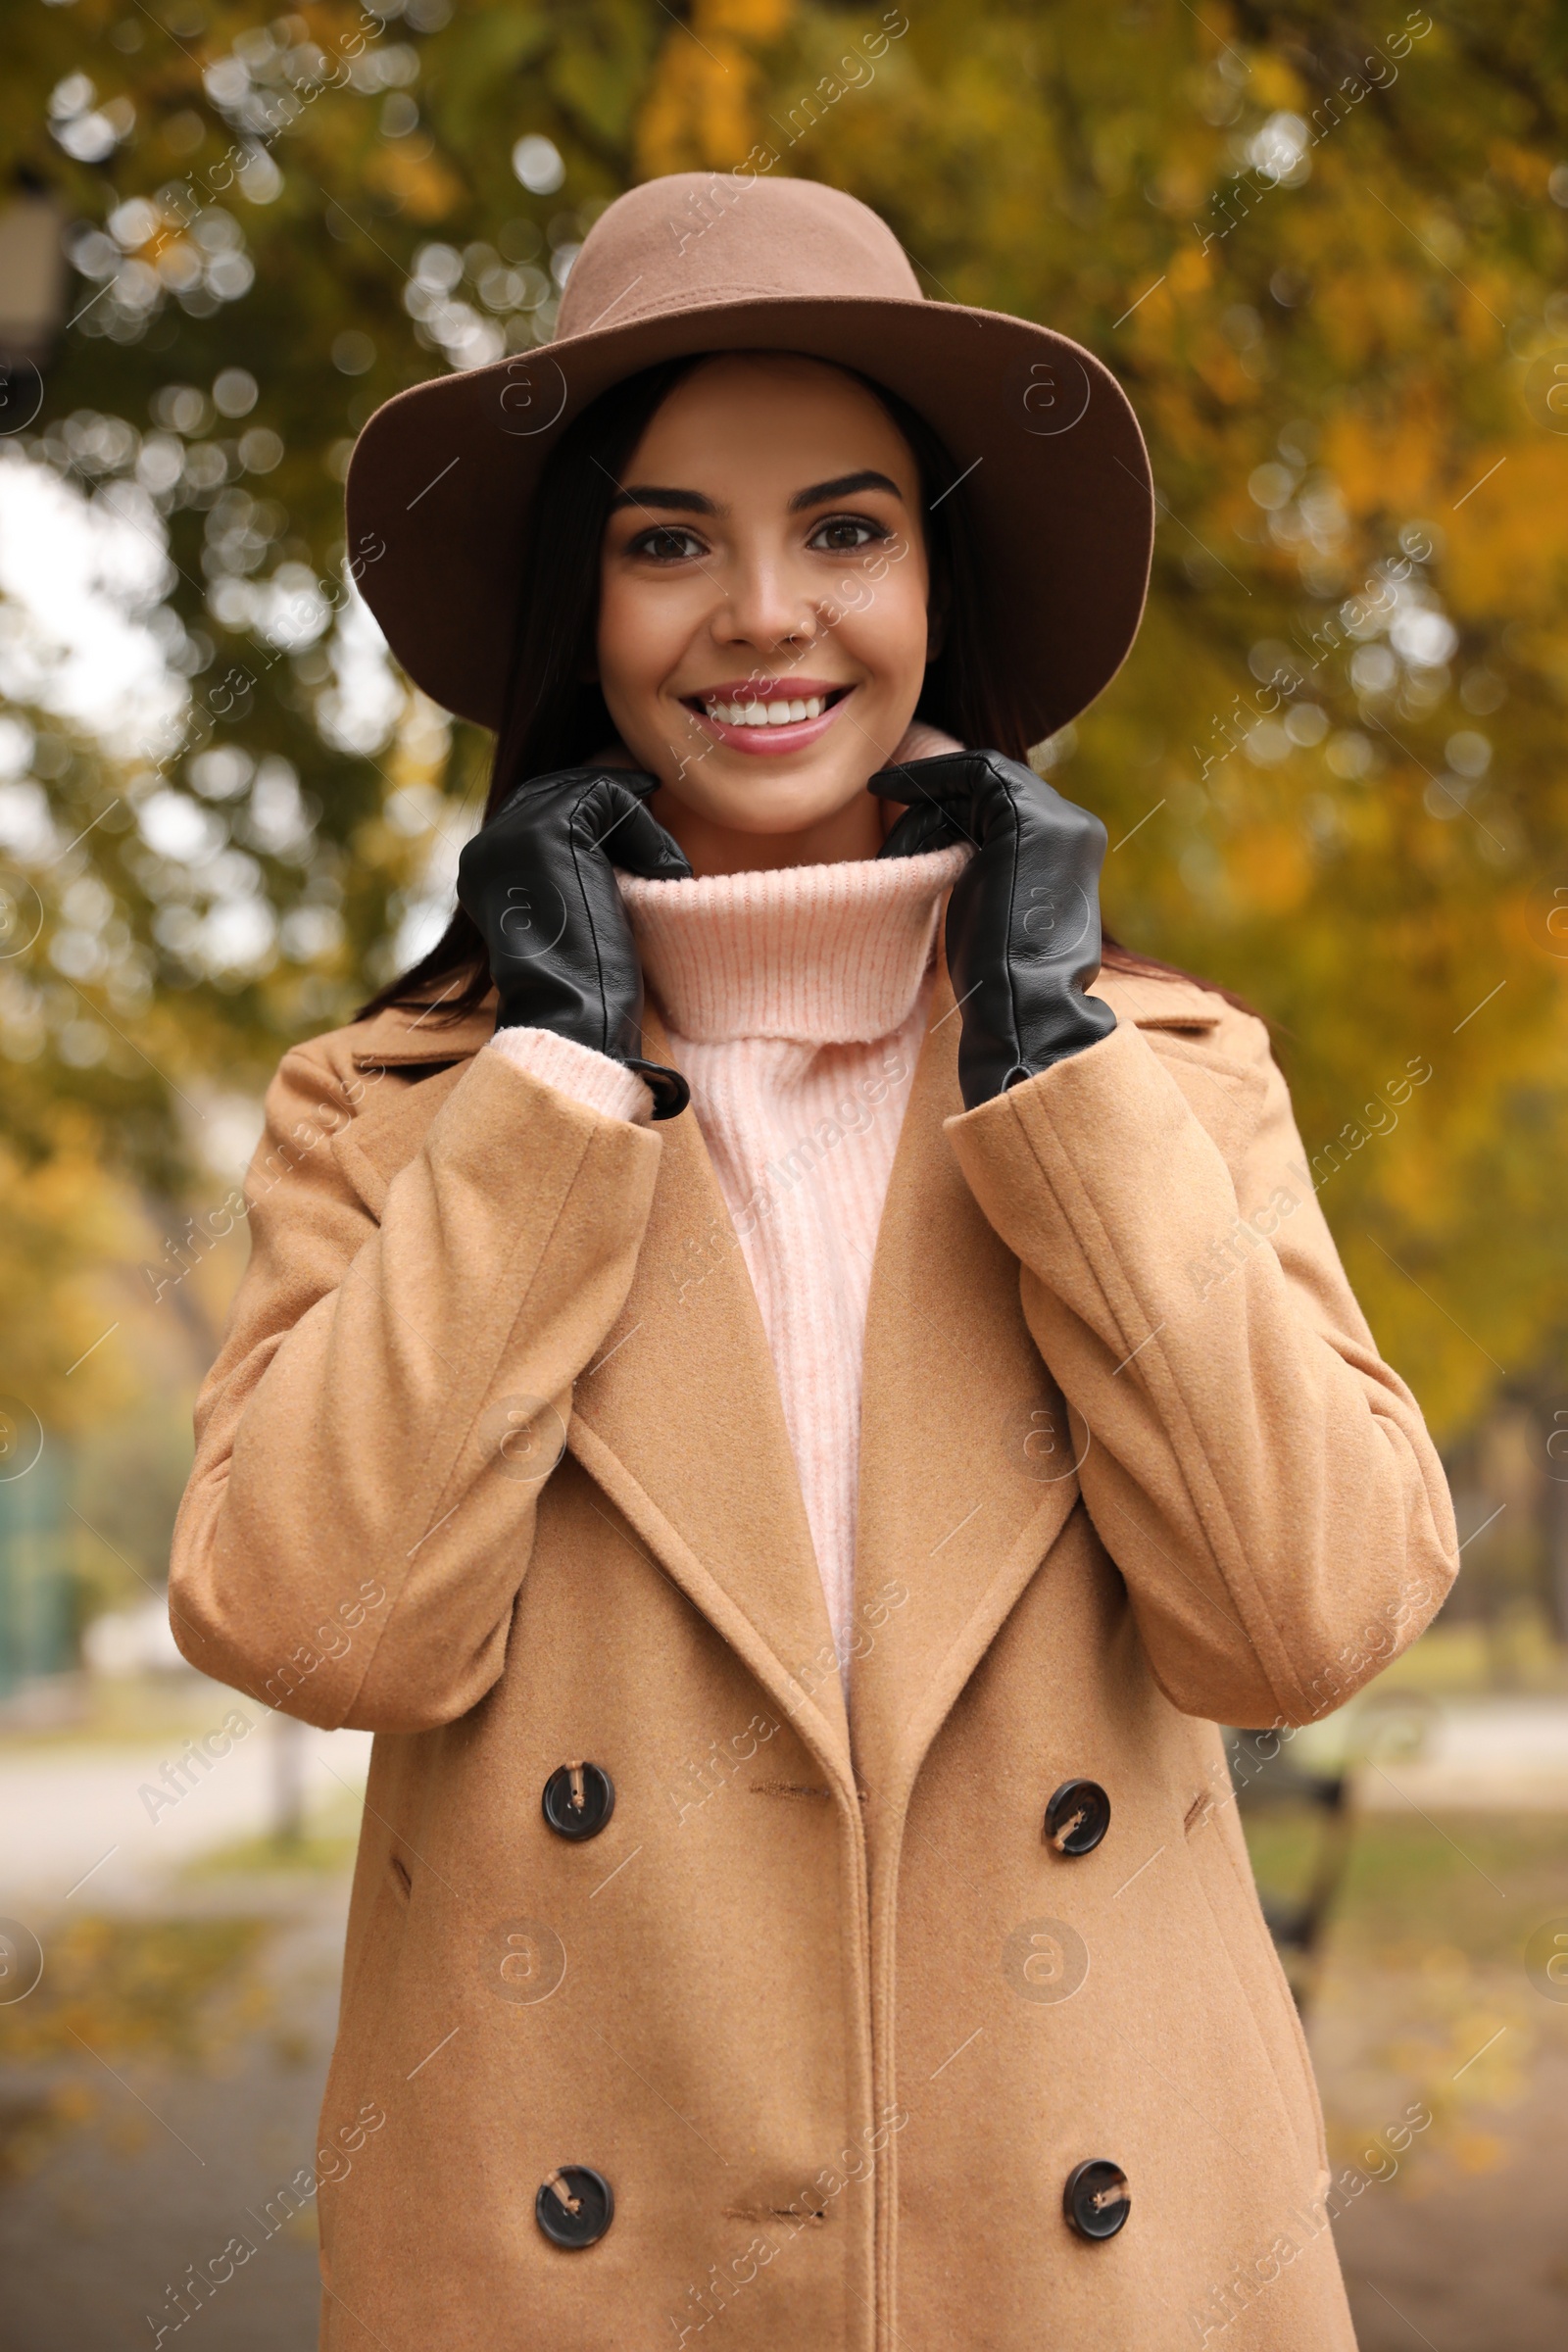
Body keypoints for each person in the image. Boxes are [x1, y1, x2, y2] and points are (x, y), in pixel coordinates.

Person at [170, 172, 1458, 2351]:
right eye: (666, 539)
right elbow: (314, 1626)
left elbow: (1296, 1621)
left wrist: (1048, 1065)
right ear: (578, 608)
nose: (762, 612)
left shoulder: (1165, 1073)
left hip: (1100, 2285)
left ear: (933, 587)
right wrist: (556, 1081)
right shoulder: (395, 1108)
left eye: (844, 530)